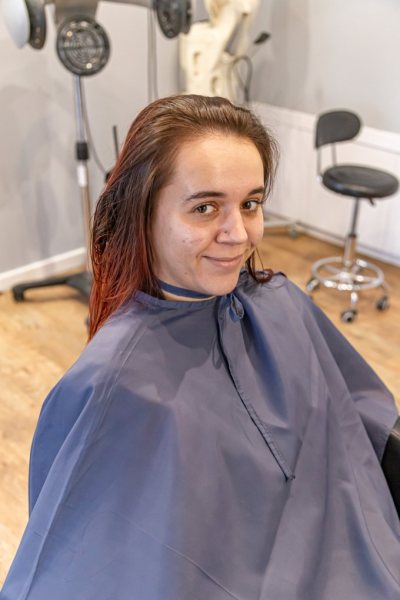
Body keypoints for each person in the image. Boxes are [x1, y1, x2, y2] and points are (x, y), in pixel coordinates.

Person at [1, 95, 399, 600]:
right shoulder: (111, 382)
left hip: (360, 546)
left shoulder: (280, 302)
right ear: (143, 212)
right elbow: (69, 562)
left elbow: (362, 417)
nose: (238, 234)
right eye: (205, 208)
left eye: (250, 204)